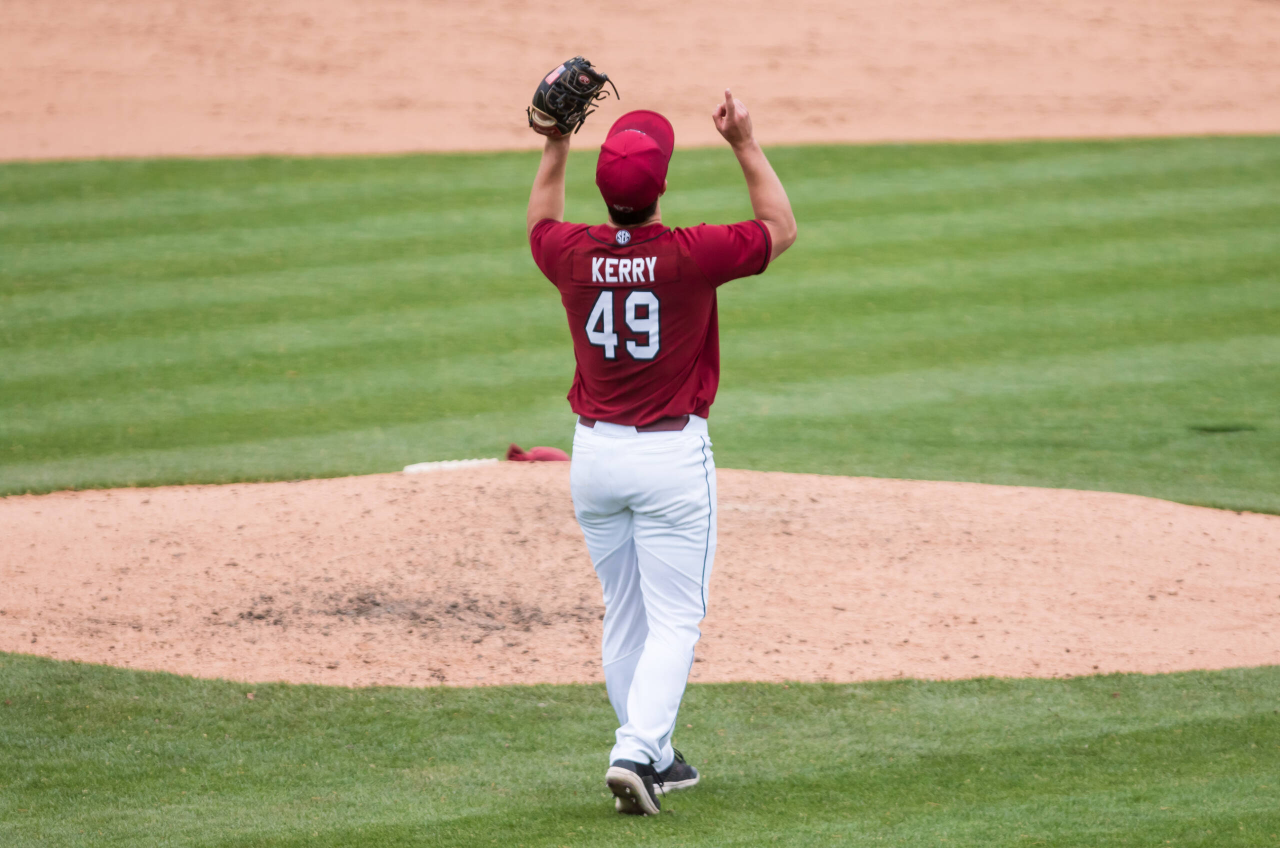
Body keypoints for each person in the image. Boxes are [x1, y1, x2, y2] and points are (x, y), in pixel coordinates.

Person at [526, 89, 797, 815]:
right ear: (662, 189)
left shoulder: (570, 254)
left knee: (627, 613)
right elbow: (781, 227)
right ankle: (634, 753)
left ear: (603, 192)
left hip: (595, 459)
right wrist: (744, 141)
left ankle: (658, 754)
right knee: (675, 619)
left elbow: (540, 221)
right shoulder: (691, 254)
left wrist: (555, 141)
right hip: (671, 459)